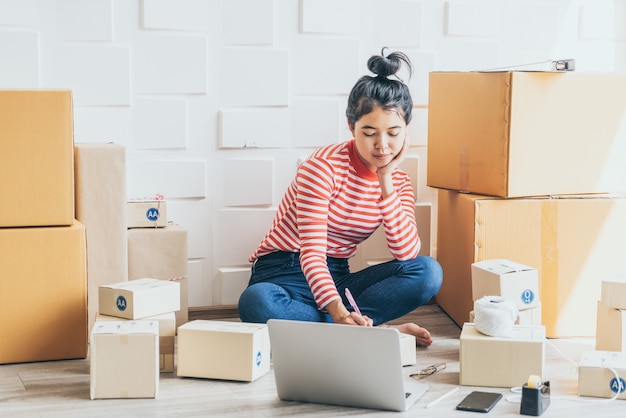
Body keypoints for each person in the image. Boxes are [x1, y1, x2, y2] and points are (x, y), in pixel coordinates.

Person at [238, 48, 443, 347]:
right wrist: (337, 311)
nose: (382, 145)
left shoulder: (397, 178)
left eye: (393, 133)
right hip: (285, 271)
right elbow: (311, 254)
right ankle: (372, 332)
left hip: (337, 274)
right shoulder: (323, 167)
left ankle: (340, 331)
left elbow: (406, 254)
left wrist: (386, 180)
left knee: (428, 272)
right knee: (257, 303)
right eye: (369, 132)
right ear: (352, 127)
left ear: (406, 131)